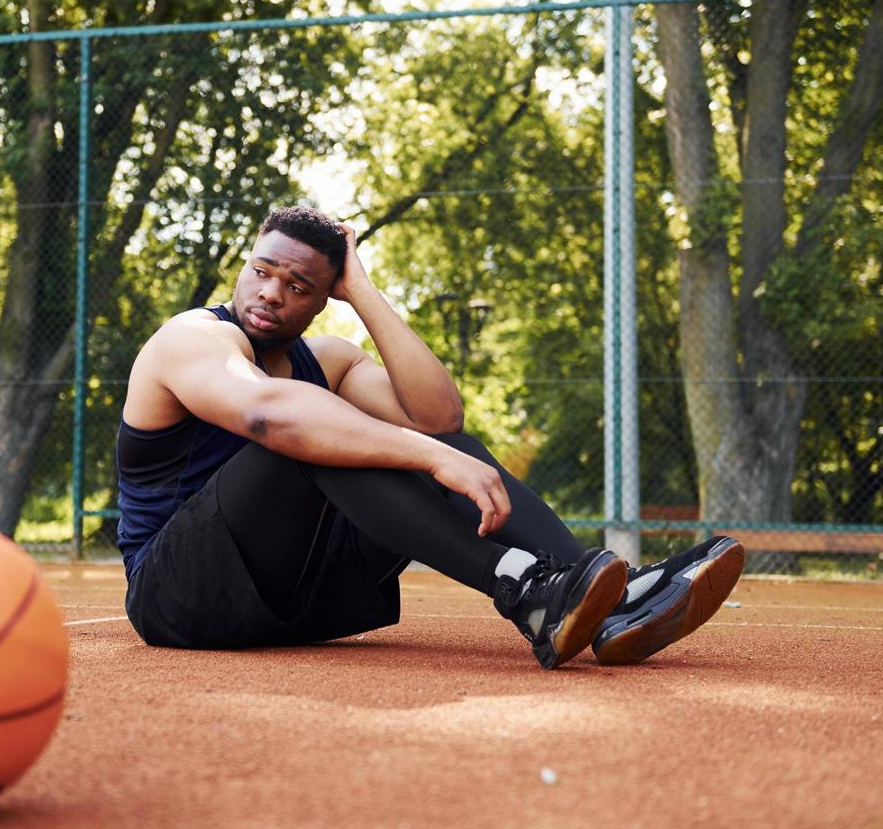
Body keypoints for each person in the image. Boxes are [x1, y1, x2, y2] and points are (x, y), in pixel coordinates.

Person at [117, 205, 744, 668]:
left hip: (295, 601)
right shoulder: (193, 339)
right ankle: (527, 590)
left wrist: (362, 289)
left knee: (422, 442)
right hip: (178, 596)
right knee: (322, 434)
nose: (271, 293)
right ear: (246, 264)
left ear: (322, 301)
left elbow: (439, 419)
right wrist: (429, 456)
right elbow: (267, 415)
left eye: (299, 287)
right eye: (262, 271)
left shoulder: (327, 357)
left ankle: (606, 597)